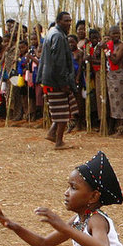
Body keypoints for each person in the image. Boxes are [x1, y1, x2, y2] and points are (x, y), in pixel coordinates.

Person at [36, 12, 79, 149]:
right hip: (56, 80)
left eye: (70, 21)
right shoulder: (58, 36)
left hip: (51, 79)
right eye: (66, 21)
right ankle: (59, 142)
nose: (69, 23)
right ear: (58, 21)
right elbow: (59, 62)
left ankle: (52, 132)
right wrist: (64, 83)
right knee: (62, 111)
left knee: (64, 107)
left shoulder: (53, 33)